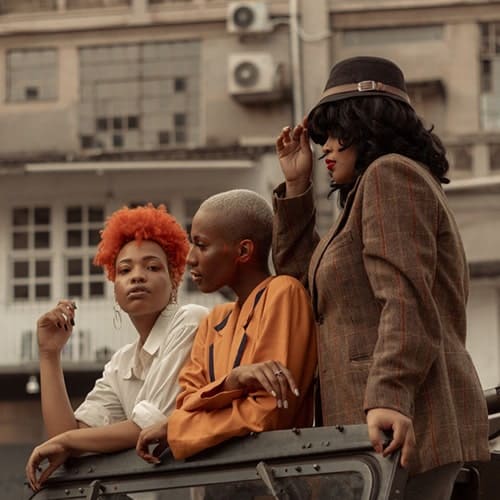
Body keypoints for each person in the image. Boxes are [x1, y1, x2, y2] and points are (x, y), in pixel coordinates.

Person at [272, 56, 490, 500]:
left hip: (405, 421)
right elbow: (302, 288)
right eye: (322, 137)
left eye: (337, 132)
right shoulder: (363, 197)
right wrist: (297, 188)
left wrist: (389, 395)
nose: (325, 148)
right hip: (377, 430)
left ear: (368, 125)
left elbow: (406, 298)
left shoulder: (390, 175)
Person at [26, 204, 208, 491]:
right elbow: (67, 436)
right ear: (115, 285)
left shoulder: (190, 321)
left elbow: (148, 428)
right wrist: (49, 354)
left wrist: (67, 441)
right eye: (125, 270)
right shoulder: (121, 362)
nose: (137, 276)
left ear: (174, 280)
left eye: (152, 267)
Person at [136, 189, 317, 463]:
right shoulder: (213, 321)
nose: (190, 258)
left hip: (277, 475)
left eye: (201, 245)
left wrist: (179, 430)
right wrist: (233, 381)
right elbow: (185, 405)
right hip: (220, 478)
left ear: (243, 251)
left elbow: (268, 412)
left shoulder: (283, 293)